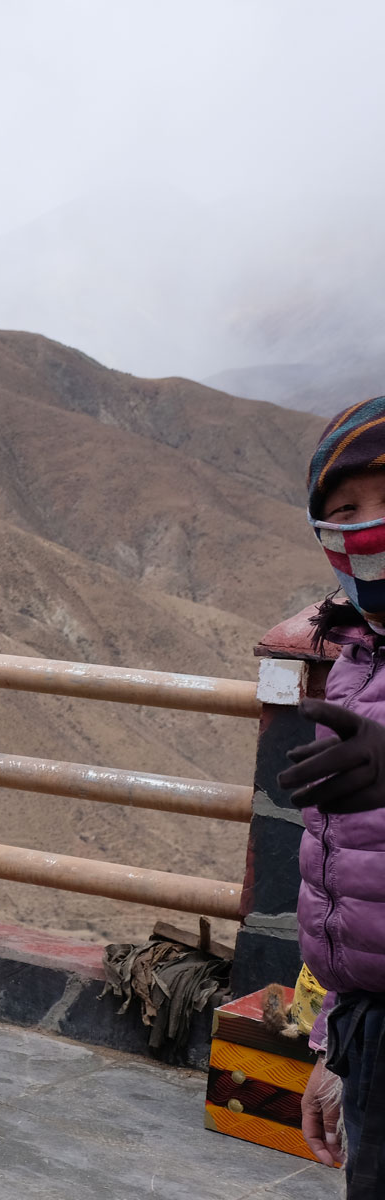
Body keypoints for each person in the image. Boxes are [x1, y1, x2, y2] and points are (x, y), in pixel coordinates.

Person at [282, 395, 385, 1194]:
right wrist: (336, 1050)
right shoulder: (354, 660)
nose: (369, 530)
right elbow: (346, 890)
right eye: (344, 513)